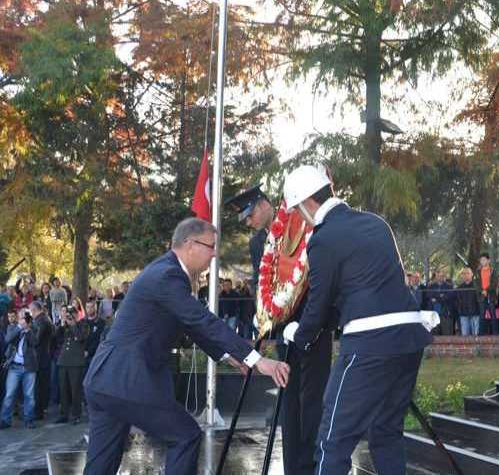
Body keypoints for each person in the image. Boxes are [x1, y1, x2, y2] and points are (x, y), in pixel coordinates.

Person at [82, 217, 289, 475]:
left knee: (101, 464)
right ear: (190, 244)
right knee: (185, 436)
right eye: (211, 246)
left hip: (104, 380)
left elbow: (191, 326)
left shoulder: (165, 271)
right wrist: (256, 359)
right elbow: (201, 320)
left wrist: (229, 357)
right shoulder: (168, 275)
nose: (214, 254)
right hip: (128, 380)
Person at [281, 164, 435, 475]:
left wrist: (298, 334)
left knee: (332, 440)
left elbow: (320, 303)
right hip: (409, 338)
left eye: (297, 210)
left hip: (368, 345)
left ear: (307, 203)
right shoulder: (375, 223)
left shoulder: (323, 239)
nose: (299, 217)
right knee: (386, 432)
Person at [227, 183, 333, 475]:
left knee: (311, 398)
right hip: (282, 330)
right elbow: (261, 288)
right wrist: (263, 325)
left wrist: (308, 320)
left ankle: (312, 466)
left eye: (249, 216)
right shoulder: (256, 243)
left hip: (312, 326)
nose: (249, 223)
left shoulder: (299, 221)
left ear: (262, 204)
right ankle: (293, 467)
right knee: (288, 398)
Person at [0, 310, 38, 429]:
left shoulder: (33, 329)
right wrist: (20, 328)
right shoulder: (13, 328)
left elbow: (35, 342)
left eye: (24, 318)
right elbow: (8, 339)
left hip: (29, 367)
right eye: (20, 318)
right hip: (14, 367)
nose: (22, 320)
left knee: (29, 395)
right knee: (10, 394)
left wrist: (28, 330)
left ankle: (29, 420)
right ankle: (5, 420)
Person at [55, 307, 89, 424]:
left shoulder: (83, 324)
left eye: (72, 314)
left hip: (76, 362)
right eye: (68, 314)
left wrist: (73, 324)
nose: (70, 316)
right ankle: (64, 414)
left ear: (77, 314)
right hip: (63, 360)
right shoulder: (65, 325)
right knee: (63, 389)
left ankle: (76, 415)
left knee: (75, 390)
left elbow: (80, 337)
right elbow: (56, 337)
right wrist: (62, 323)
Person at [28, 301, 54, 419]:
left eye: (31, 310)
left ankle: (39, 411)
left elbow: (36, 340)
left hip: (40, 357)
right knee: (41, 384)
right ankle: (40, 409)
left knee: (39, 385)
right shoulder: (44, 319)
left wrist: (29, 330)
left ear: (34, 309)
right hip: (43, 356)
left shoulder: (41, 321)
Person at [455, 268, 482, 337]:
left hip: (475, 314)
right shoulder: (459, 288)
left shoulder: (477, 286)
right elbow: (457, 301)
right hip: (463, 315)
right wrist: (460, 310)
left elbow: (480, 299)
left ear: (472, 274)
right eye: (463, 273)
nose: (465, 275)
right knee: (465, 337)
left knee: (476, 336)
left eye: (467, 273)